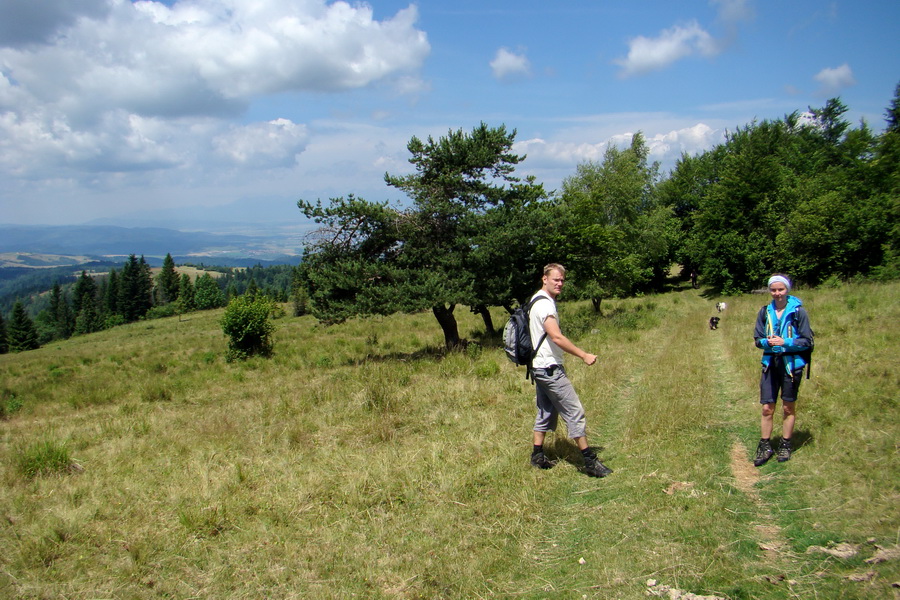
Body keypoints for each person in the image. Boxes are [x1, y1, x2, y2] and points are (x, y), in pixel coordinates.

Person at [528, 263, 612, 478]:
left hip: (539, 367)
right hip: (549, 369)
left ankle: (537, 456)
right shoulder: (545, 304)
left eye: (562, 280)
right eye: (556, 279)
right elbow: (556, 336)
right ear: (544, 278)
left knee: (546, 411)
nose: (560, 283)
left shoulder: (536, 300)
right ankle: (589, 461)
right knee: (574, 411)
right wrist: (583, 355)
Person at [752, 274, 814, 466]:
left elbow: (807, 341)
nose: (777, 293)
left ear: (787, 290)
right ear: (769, 291)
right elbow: (757, 340)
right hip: (770, 364)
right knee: (766, 408)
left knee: (788, 407)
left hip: (791, 366)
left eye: (781, 289)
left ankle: (786, 444)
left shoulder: (798, 312)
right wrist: (767, 342)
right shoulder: (765, 312)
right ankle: (765, 445)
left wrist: (785, 342)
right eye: (773, 290)